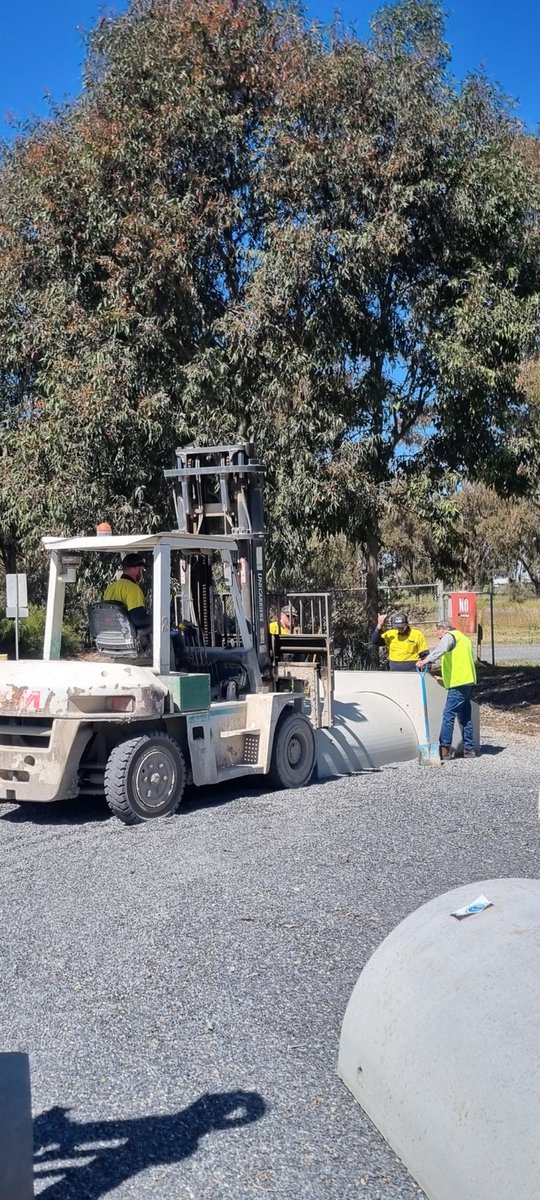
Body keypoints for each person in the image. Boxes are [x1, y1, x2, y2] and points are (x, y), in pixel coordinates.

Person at [417, 620, 477, 759]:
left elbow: (440, 650)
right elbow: (461, 663)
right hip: (468, 681)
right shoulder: (463, 639)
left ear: (443, 629)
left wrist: (425, 661)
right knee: (465, 716)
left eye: (437, 631)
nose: (437, 634)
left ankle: (444, 749)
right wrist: (444, 679)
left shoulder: (449, 636)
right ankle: (469, 749)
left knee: (448, 715)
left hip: (458, 684)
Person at [103, 554, 152, 636]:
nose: (142, 572)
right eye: (141, 569)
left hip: (113, 636)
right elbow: (138, 620)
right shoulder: (133, 588)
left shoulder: (110, 588)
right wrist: (157, 618)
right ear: (137, 568)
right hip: (128, 637)